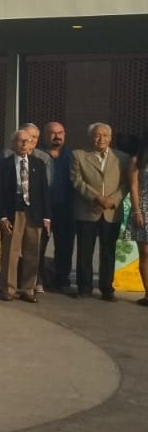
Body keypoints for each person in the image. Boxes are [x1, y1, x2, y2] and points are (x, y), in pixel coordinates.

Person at [70, 122, 125, 300]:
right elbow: (76, 180)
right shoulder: (78, 155)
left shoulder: (121, 157)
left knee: (108, 252)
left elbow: (126, 184)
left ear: (110, 138)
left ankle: (107, 289)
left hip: (111, 212)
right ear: (90, 137)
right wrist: (96, 197)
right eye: (97, 135)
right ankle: (84, 288)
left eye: (105, 135)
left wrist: (113, 200)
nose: (101, 139)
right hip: (87, 210)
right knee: (85, 252)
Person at [0, 126, 50, 303]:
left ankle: (28, 289)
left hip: (34, 213)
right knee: (11, 252)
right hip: (13, 213)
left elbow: (44, 191)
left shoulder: (38, 164)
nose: (25, 144)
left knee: (32, 252)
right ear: (13, 143)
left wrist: (47, 217)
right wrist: (2, 216)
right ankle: (8, 289)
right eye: (21, 141)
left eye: (29, 141)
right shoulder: (4, 164)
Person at [37, 122, 74, 293]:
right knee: (39, 245)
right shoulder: (37, 154)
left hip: (66, 207)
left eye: (60, 132)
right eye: (53, 133)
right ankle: (37, 279)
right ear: (45, 135)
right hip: (43, 208)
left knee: (65, 246)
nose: (57, 136)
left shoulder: (72, 155)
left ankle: (62, 280)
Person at [125, 137, 148, 305]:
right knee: (145, 252)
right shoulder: (137, 160)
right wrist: (136, 210)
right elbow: (133, 186)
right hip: (144, 209)